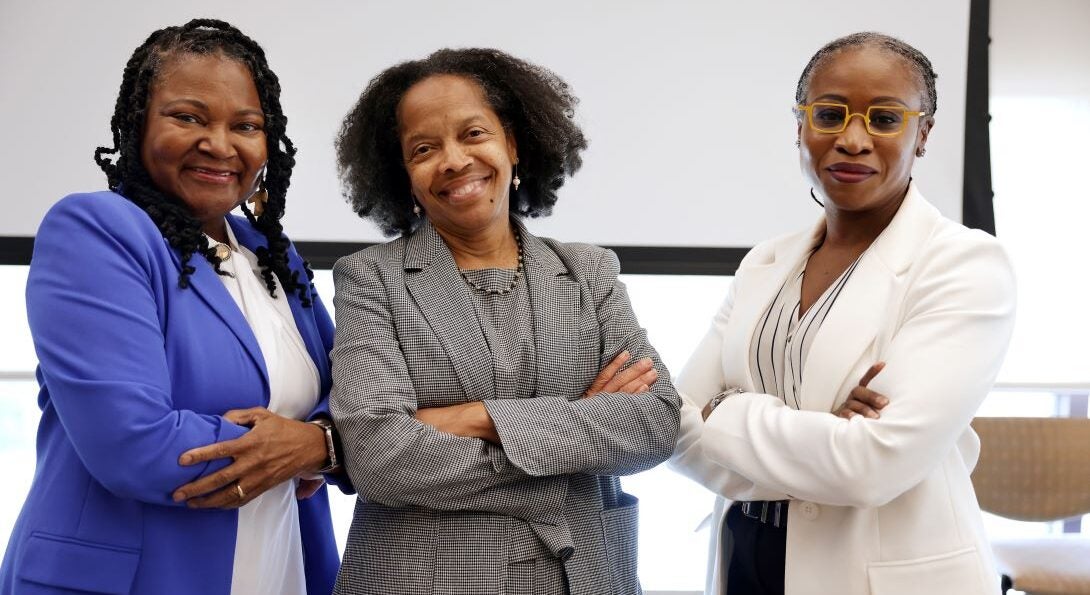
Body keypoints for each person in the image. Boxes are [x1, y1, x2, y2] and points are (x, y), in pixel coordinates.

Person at [0, 19, 344, 595]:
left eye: (246, 125)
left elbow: (351, 389)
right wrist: (297, 451)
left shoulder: (269, 253)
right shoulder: (97, 231)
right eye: (188, 117)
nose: (219, 143)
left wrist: (320, 442)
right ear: (139, 125)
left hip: (280, 572)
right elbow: (133, 441)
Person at [669, 32, 1016, 595]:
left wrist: (726, 410)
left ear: (922, 134)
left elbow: (873, 464)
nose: (853, 140)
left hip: (879, 575)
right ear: (800, 125)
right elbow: (675, 431)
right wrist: (826, 426)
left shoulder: (966, 265)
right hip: (747, 561)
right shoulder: (765, 263)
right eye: (830, 114)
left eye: (885, 118)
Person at [330, 48, 681, 595]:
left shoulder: (588, 270)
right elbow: (378, 455)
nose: (452, 160)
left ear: (513, 144)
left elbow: (655, 422)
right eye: (424, 148)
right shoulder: (370, 278)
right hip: (427, 578)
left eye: (473, 133)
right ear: (404, 173)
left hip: (583, 575)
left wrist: (463, 418)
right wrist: (571, 439)